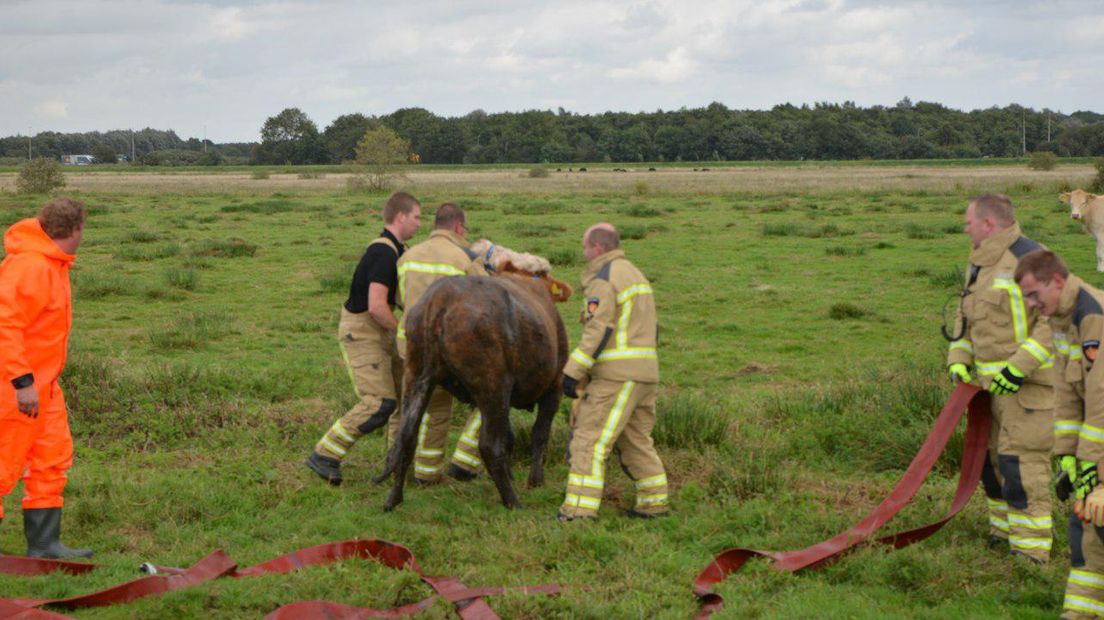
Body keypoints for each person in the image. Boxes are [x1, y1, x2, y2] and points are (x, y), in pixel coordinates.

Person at [945, 193, 1056, 562]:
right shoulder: (979, 263)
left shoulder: (1033, 259)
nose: (965, 230)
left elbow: (1053, 325)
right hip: (987, 389)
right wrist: (959, 357)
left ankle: (1031, 552)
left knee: (1021, 466)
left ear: (988, 224)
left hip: (1029, 390)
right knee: (989, 465)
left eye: (969, 223)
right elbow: (966, 317)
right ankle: (1003, 532)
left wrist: (1018, 367)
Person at [305, 192, 422, 485]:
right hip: (362, 332)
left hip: (380, 331)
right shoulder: (383, 253)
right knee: (379, 402)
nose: (420, 224)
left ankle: (396, 466)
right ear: (401, 217)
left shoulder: (398, 249)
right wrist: (404, 332)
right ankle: (325, 454)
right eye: (417, 217)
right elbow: (377, 306)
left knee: (402, 401)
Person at [0, 197, 91, 558]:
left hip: (45, 386)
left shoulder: (53, 263)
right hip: (15, 387)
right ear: (77, 229)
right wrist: (22, 383)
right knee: (4, 463)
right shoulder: (31, 267)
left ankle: (45, 546)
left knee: (51, 459)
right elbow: (5, 325)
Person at [1015, 250, 1104, 617]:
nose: (1033, 306)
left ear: (1056, 281)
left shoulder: (1092, 316)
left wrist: (1091, 467)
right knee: (1086, 530)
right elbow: (1067, 393)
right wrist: (1067, 455)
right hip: (1095, 447)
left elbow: (1100, 399)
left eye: (1035, 295)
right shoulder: (1061, 318)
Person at [558, 223, 668, 520]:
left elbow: (598, 329)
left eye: (584, 247)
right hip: (646, 373)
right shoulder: (637, 275)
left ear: (597, 248)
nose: (583, 253)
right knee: (636, 441)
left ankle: (578, 511)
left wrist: (572, 372)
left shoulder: (604, 279)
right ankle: (654, 502)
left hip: (617, 376)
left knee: (589, 440)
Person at [395, 203, 487, 484]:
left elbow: (401, 300)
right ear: (458, 227)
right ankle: (454, 464)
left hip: (409, 345)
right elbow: (486, 300)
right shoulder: (463, 258)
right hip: (448, 347)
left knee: (421, 407)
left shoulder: (408, 256)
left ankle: (421, 471)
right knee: (483, 399)